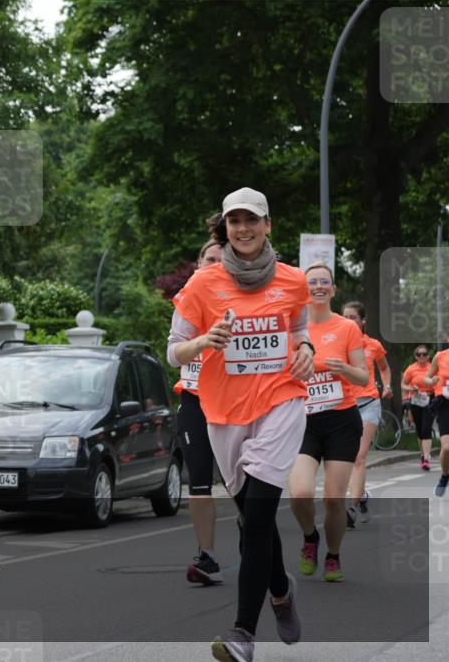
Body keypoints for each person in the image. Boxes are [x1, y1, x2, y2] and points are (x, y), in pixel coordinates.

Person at [168, 187, 313, 662]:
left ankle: (242, 633)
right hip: (224, 413)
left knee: (260, 516)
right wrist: (203, 341)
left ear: (268, 225)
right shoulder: (203, 284)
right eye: (235, 221)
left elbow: (299, 330)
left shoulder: (293, 280)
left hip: (281, 401)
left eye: (252, 220)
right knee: (253, 517)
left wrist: (307, 349)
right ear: (225, 227)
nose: (244, 228)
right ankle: (281, 593)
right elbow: (174, 351)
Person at [287, 264, 368, 584]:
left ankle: (333, 556)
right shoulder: (292, 328)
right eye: (312, 282)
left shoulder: (347, 328)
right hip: (301, 420)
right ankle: (310, 537)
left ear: (333, 290)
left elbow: (363, 377)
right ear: (303, 290)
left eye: (324, 282)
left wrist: (344, 369)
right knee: (300, 493)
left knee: (334, 499)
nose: (318, 286)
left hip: (341, 420)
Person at [174, 235, 226, 585]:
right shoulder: (186, 299)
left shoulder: (241, 299)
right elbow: (175, 349)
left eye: (222, 260)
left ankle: (254, 541)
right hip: (195, 398)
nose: (216, 266)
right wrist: (201, 342)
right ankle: (207, 556)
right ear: (198, 264)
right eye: (210, 259)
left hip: (234, 402)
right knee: (199, 481)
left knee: (242, 482)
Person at [340, 301, 392, 526]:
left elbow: (384, 367)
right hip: (344, 405)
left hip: (369, 403)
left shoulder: (373, 345)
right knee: (344, 459)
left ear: (362, 321)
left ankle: (351, 508)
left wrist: (387, 386)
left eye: (353, 317)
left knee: (359, 457)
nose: (348, 321)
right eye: (345, 317)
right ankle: (361, 496)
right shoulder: (336, 342)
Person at [402, 345, 436, 470]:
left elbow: (439, 382)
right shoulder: (411, 369)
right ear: (416, 356)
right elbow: (403, 384)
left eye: (424, 354)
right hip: (415, 400)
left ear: (428, 356)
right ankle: (422, 454)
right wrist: (411, 388)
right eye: (419, 354)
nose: (421, 356)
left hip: (429, 399)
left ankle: (426, 458)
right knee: (420, 429)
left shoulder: (432, 368)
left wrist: (434, 387)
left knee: (426, 428)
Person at [423, 333, 449, 496]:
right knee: (446, 447)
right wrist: (431, 381)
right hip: (445, 404)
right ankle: (445, 476)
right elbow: (426, 378)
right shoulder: (440, 356)